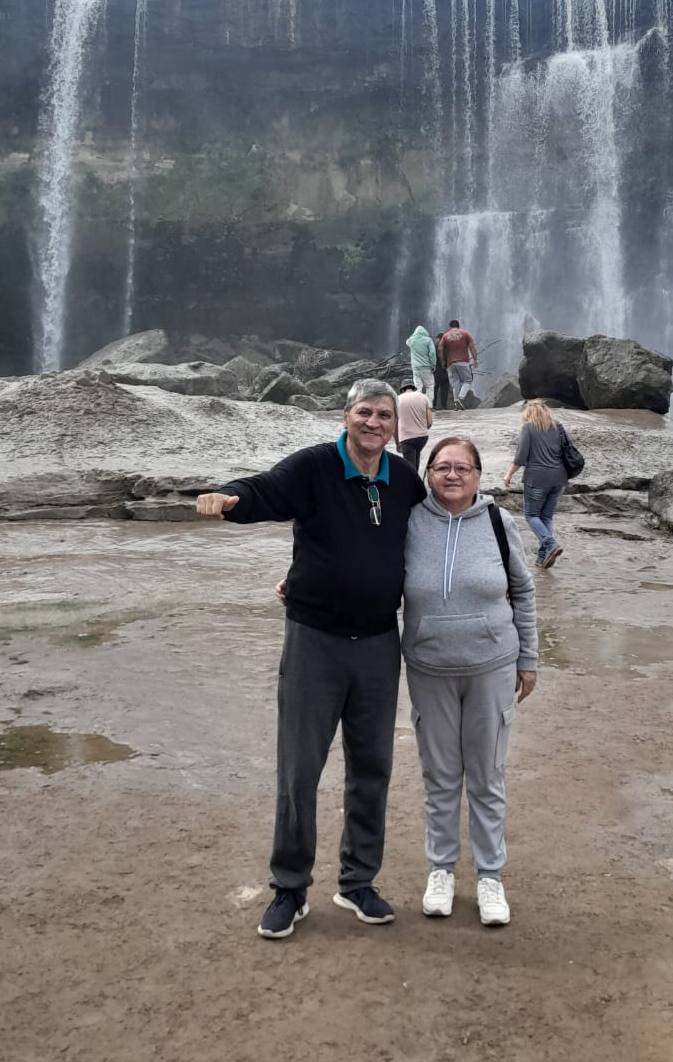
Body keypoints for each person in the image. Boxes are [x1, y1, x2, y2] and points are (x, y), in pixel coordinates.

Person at [196, 379, 426, 939]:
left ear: (396, 425)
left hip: (379, 644)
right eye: (365, 412)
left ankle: (358, 881)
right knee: (300, 769)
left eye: (384, 416)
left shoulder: (404, 480)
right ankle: (290, 887)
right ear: (345, 416)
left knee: (372, 768)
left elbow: (434, 538)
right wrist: (229, 498)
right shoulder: (315, 466)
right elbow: (266, 489)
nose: (374, 423)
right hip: (314, 642)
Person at [402, 436, 538, 927]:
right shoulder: (409, 521)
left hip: (491, 666)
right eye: (442, 467)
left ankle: (489, 876)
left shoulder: (499, 523)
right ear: (429, 474)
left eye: (462, 467)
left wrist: (529, 659)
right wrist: (305, 583)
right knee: (439, 777)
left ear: (479, 475)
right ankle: (440, 870)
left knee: (486, 776)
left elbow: (523, 590)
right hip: (429, 667)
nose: (452, 475)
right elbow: (367, 570)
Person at [503, 398, 570, 569]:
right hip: (559, 478)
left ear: (529, 413)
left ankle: (550, 544)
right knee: (546, 517)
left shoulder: (528, 427)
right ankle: (542, 558)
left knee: (531, 516)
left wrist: (509, 474)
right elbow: (567, 449)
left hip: (537, 478)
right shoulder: (558, 426)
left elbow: (520, 457)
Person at [437, 320, 478, 411]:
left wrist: (443, 361)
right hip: (463, 362)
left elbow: (440, 348)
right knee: (467, 381)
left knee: (455, 383)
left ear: (450, 326)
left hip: (451, 364)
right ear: (459, 326)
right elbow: (472, 346)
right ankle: (461, 398)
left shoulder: (445, 336)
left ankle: (456, 404)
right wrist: (475, 359)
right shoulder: (465, 333)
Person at [396, 377, 433, 473]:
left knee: (409, 469)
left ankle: (413, 481)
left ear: (402, 389)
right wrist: (421, 429)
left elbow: (394, 425)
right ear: (414, 388)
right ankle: (416, 479)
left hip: (406, 439)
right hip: (423, 437)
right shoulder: (424, 397)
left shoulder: (397, 400)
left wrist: (397, 443)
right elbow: (429, 422)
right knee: (415, 460)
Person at [405, 324, 437, 400]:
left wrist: (414, 335)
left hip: (415, 368)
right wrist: (433, 364)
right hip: (426, 367)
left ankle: (417, 403)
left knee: (418, 387)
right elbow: (432, 353)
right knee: (429, 386)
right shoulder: (428, 340)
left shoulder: (412, 340)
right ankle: (429, 404)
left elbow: (407, 341)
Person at [432, 332, 450, 410]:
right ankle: (444, 406)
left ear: (439, 339)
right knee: (445, 389)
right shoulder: (448, 347)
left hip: (437, 370)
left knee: (435, 388)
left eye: (437, 338)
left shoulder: (435, 347)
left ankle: (433, 405)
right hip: (446, 370)